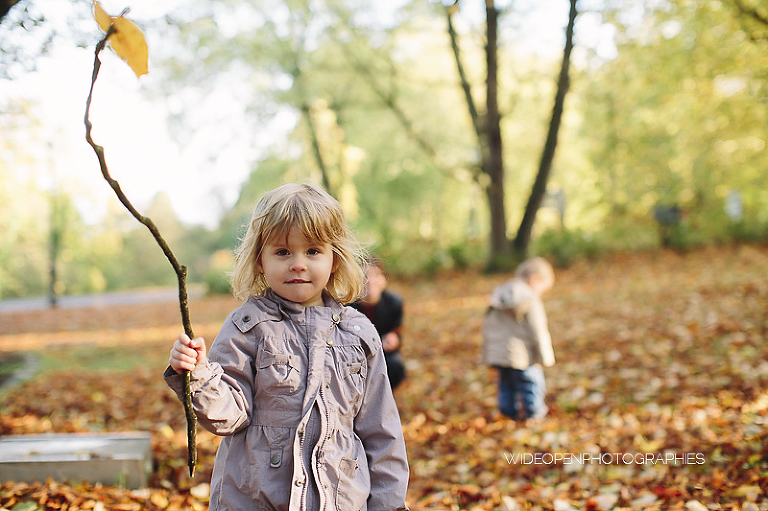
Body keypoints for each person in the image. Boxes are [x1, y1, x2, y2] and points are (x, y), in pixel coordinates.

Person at [163, 183, 410, 511]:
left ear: (334, 258)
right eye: (282, 252)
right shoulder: (246, 327)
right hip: (256, 498)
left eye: (312, 251)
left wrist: (389, 506)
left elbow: (382, 434)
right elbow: (228, 415)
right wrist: (198, 374)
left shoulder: (359, 334)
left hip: (340, 499)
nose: (297, 264)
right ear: (260, 260)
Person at [482, 257, 555, 421]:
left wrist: (491, 352)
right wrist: (545, 356)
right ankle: (534, 414)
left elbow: (490, 325)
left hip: (501, 354)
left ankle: (508, 414)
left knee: (506, 385)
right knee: (532, 385)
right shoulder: (530, 298)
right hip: (523, 355)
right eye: (542, 289)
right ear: (535, 279)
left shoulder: (498, 294)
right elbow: (538, 329)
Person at [349, 258, 407, 390]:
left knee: (395, 366)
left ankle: (384, 397)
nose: (370, 281)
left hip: (383, 353)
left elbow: (397, 331)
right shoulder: (348, 307)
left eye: (376, 275)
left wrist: (394, 338)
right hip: (356, 354)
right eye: (364, 276)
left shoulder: (394, 303)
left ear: (384, 280)